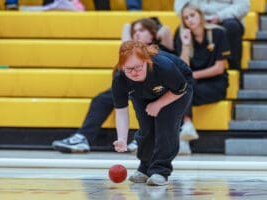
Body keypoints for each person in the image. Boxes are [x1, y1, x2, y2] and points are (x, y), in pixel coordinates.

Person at [52, 18, 174, 153]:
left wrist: (155, 30)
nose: (137, 34)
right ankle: (83, 138)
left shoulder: (160, 48)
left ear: (152, 34)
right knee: (101, 100)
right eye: (135, 31)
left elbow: (166, 31)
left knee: (149, 101)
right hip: (133, 88)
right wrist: (130, 27)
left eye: (141, 30)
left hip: (159, 89)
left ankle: (146, 140)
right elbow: (126, 38)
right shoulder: (130, 52)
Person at [112, 40, 193, 186]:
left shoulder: (163, 67)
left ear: (146, 61)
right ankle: (145, 168)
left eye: (138, 67)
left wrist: (159, 103)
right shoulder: (119, 78)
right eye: (128, 69)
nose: (134, 72)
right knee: (146, 129)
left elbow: (181, 89)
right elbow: (121, 111)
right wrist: (122, 139)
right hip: (143, 93)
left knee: (165, 126)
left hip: (177, 89)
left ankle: (160, 171)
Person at [174, 3, 231, 154]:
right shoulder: (182, 35)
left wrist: (192, 76)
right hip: (193, 85)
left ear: (200, 15)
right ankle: (185, 130)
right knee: (182, 90)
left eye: (192, 15)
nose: (189, 20)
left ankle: (184, 131)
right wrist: (186, 45)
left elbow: (219, 68)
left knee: (180, 92)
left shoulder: (218, 33)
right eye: (186, 18)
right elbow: (183, 66)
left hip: (215, 84)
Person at [174, 0, 249, 70]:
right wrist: (199, 16)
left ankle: (234, 69)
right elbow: (179, 7)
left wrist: (219, 16)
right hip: (197, 17)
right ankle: (185, 72)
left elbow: (243, 6)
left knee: (232, 27)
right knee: (181, 31)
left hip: (225, 18)